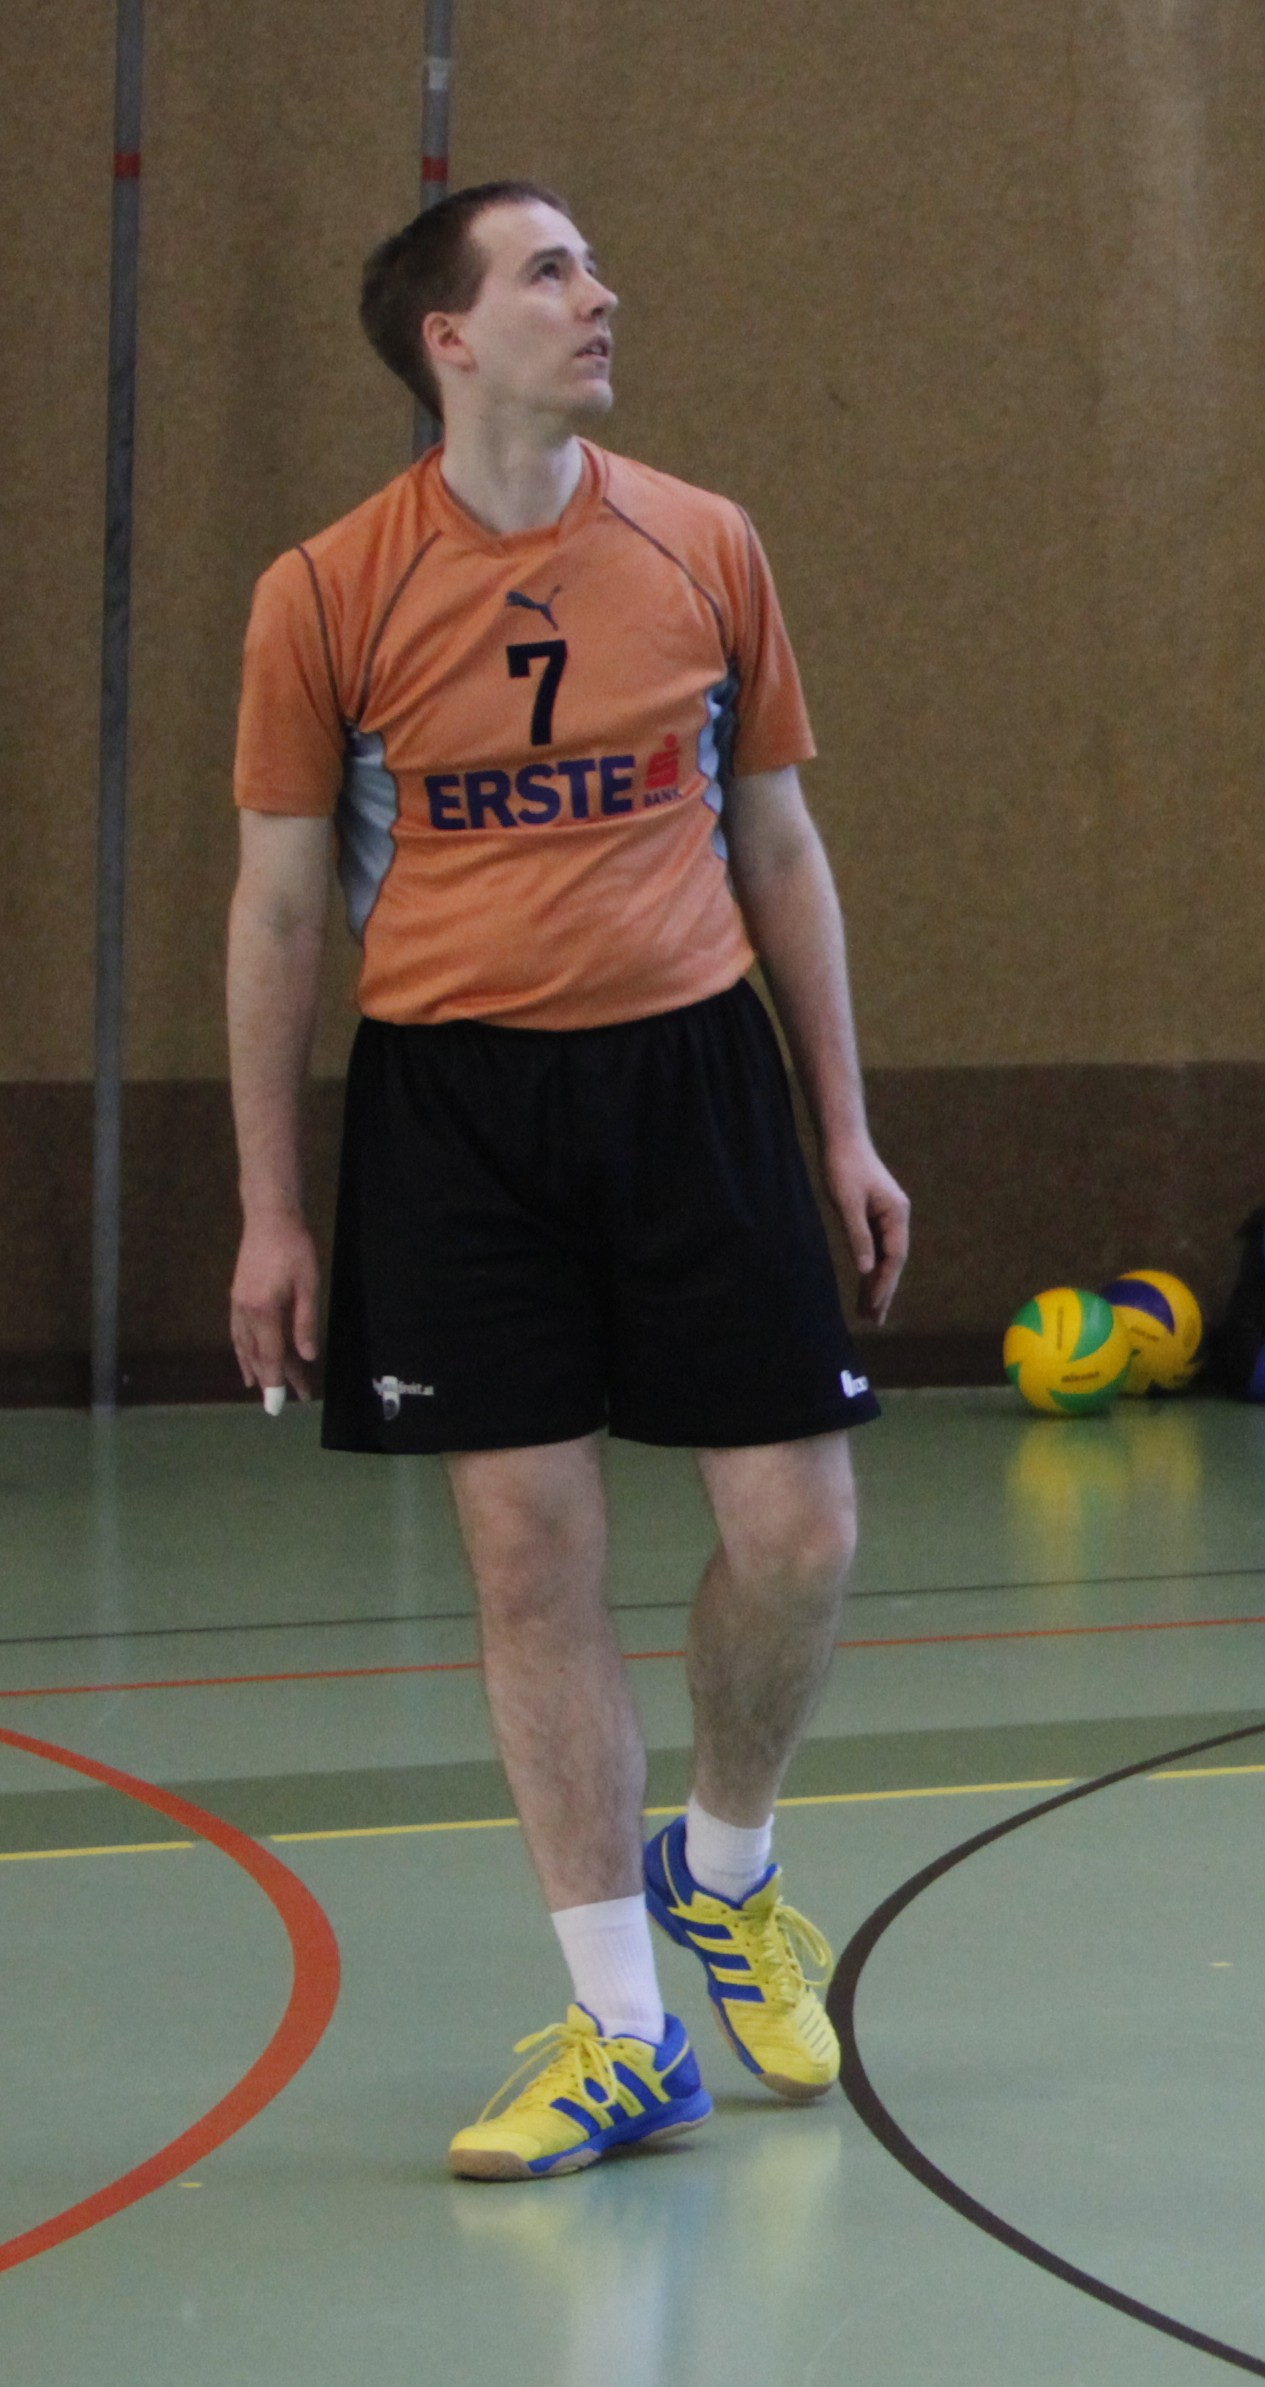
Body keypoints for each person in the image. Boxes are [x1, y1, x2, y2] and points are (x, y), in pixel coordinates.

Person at [226, 181, 911, 2180]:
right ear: (448, 339)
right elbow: (278, 914)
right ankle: (621, 2029)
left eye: (592, 264)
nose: (599, 295)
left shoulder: (703, 543)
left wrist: (842, 1121)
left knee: (799, 1534)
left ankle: (727, 1863)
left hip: (693, 1080)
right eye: (550, 272)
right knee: (530, 1559)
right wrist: (272, 1206)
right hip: (453, 1108)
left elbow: (777, 845)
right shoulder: (326, 593)